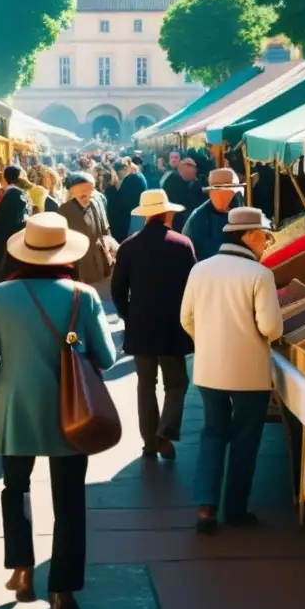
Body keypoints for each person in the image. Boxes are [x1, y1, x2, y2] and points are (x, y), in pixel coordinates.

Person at [0, 213, 117, 609]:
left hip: (15, 409)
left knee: (14, 488)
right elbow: (107, 357)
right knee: (70, 500)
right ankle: (62, 590)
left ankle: (21, 567)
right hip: (73, 413)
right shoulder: (82, 296)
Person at [180, 207, 282, 533]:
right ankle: (235, 508)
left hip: (209, 369)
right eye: (264, 236)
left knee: (212, 433)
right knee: (245, 439)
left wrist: (208, 341)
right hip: (249, 371)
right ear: (248, 235)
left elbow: (186, 318)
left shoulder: (201, 269)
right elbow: (271, 327)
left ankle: (206, 507)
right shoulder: (259, 275)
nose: (266, 243)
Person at [112, 189, 196, 460]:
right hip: (173, 326)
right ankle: (165, 431)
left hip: (141, 327)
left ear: (146, 215)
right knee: (177, 384)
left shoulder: (128, 247)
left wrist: (129, 315)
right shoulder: (182, 244)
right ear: (167, 213)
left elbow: (117, 290)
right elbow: (193, 287)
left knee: (145, 384)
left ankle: (149, 443)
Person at [59, 172, 114, 290]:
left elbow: (105, 229)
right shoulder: (64, 211)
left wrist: (109, 251)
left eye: (90, 194)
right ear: (73, 193)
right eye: (83, 196)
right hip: (78, 264)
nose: (88, 199)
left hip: (98, 261)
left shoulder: (96, 202)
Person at [182, 168, 246, 262]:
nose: (221, 196)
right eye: (217, 192)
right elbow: (186, 257)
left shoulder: (241, 211)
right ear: (211, 193)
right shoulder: (197, 220)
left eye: (231, 192)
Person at [0, 166, 31, 286]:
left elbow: (5, 218)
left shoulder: (13, 193)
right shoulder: (16, 193)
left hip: (7, 239)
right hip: (10, 237)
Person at [163, 157, 204, 232]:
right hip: (177, 218)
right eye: (192, 173)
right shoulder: (172, 181)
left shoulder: (193, 183)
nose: (193, 176)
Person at [111, 158, 147, 242]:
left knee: (133, 241)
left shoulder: (132, 179)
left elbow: (123, 200)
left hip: (134, 216)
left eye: (118, 172)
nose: (118, 175)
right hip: (138, 213)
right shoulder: (138, 175)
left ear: (125, 168)